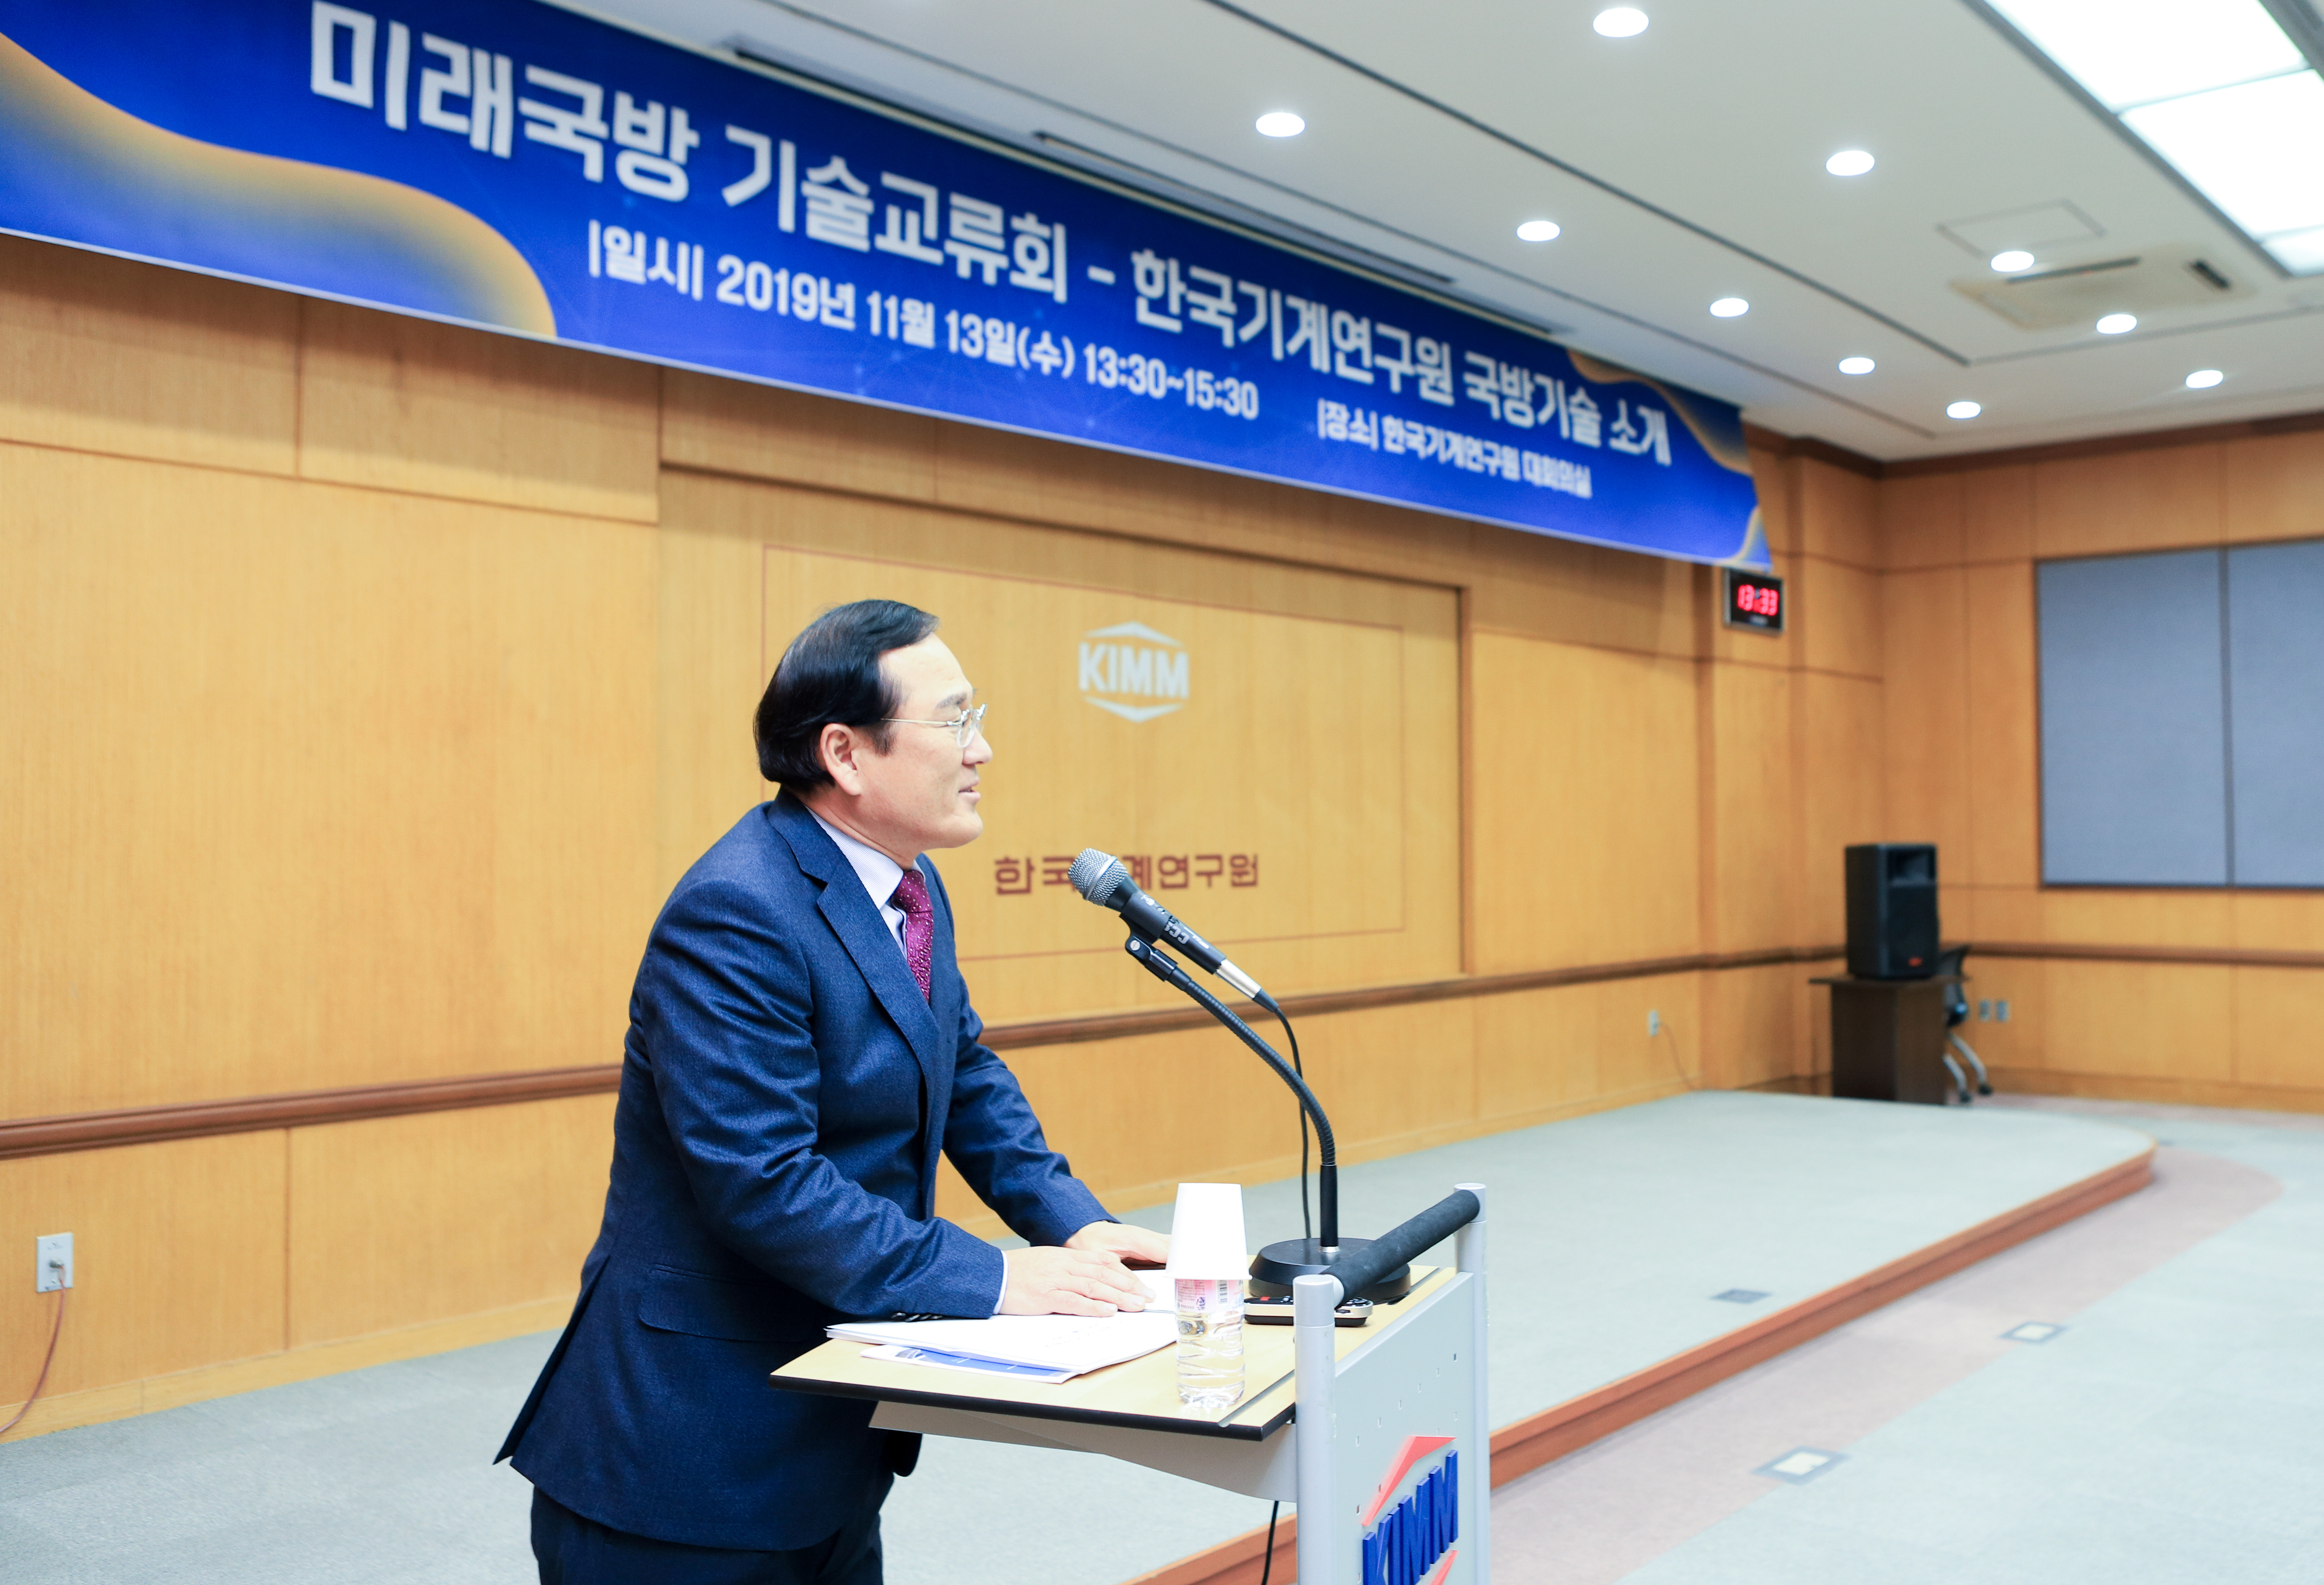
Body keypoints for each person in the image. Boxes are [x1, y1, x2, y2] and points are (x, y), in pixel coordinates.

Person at [498, 599, 1170, 1583]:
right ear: (847, 755)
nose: (982, 750)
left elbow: (967, 1075)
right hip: (689, 1462)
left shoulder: (907, 881)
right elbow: (762, 1183)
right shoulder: (737, 911)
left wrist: (1069, 1225)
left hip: (826, 1436)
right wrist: (993, 1280)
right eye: (955, 722)